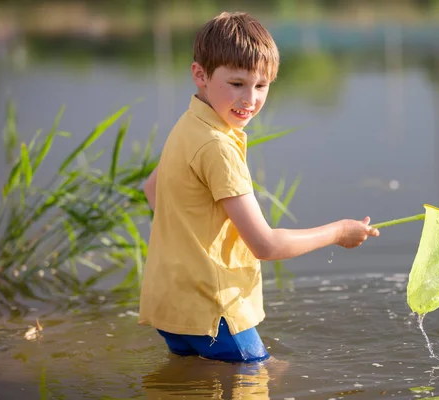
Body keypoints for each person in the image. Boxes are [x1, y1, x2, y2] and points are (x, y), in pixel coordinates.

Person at [138, 11, 380, 363]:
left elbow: (151, 189)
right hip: (215, 311)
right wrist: (340, 231)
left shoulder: (188, 124)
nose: (250, 99)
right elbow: (265, 245)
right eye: (236, 84)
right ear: (200, 75)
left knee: (192, 382)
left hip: (171, 305)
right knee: (262, 376)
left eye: (261, 85)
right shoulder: (218, 147)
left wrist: (190, 244)